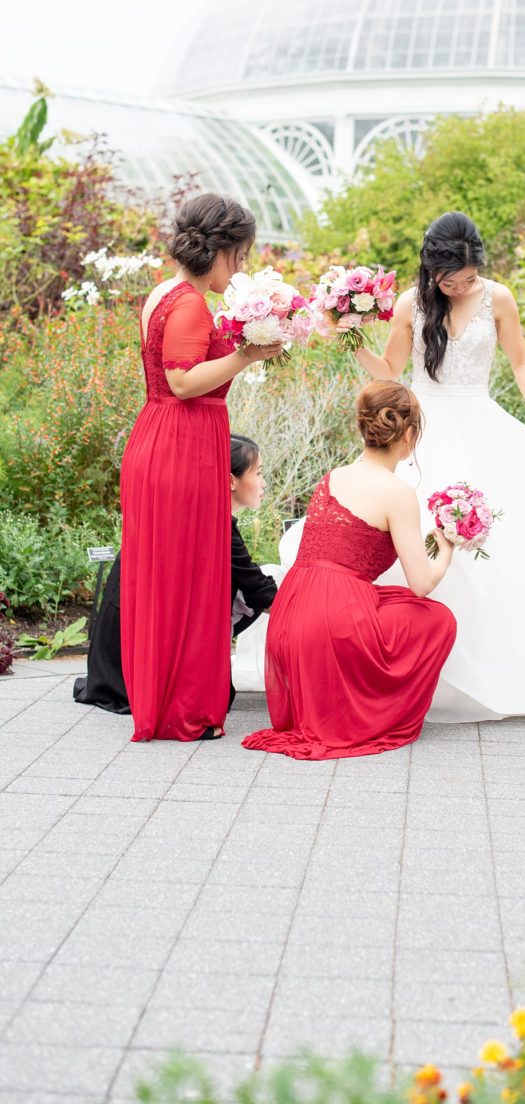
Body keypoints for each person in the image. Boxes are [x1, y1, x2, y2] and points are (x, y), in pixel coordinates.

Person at [290, 211, 525, 722]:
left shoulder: (499, 298)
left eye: (470, 277)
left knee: (505, 545)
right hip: (421, 429)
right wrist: (353, 336)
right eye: (453, 279)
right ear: (432, 270)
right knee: (421, 532)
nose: (464, 285)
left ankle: (504, 667)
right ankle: (420, 667)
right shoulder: (409, 304)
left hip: (484, 424)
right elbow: (390, 372)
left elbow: (520, 362)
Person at [120, 194, 283, 742]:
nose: (239, 267)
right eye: (238, 256)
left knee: (165, 577)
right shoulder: (190, 303)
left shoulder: (164, 292)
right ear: (220, 249)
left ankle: (162, 700)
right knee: (188, 579)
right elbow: (185, 381)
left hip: (159, 436)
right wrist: (249, 354)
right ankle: (182, 712)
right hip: (182, 444)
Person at [242, 381, 457, 760]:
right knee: (437, 618)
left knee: (386, 600)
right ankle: (374, 710)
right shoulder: (397, 492)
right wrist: (447, 548)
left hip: (290, 617)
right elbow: (422, 584)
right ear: (408, 434)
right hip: (331, 621)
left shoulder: (332, 477)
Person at [74, 435, 277, 715]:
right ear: (231, 480)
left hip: (116, 659)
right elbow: (261, 591)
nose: (264, 482)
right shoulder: (213, 526)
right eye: (259, 473)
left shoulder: (187, 514)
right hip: (128, 666)